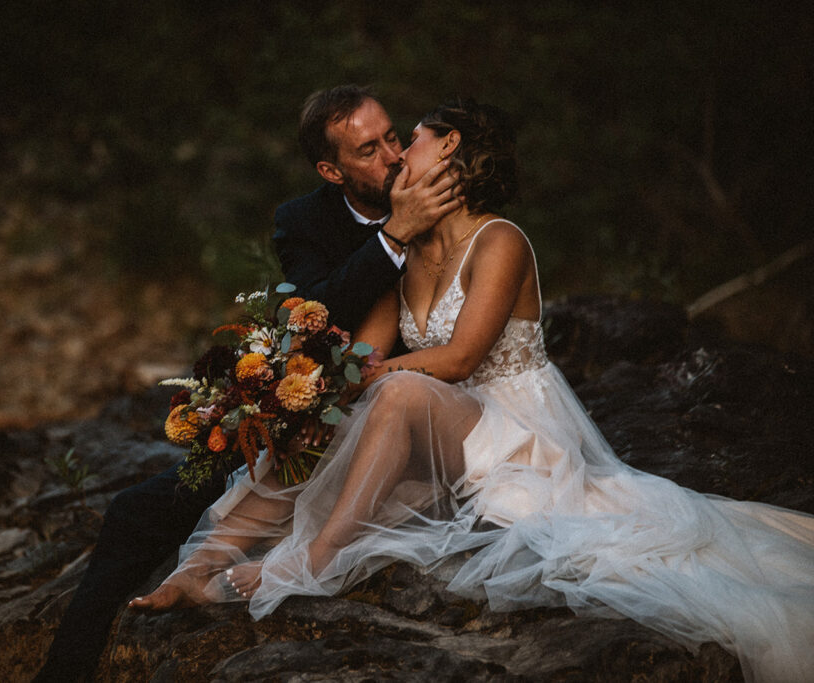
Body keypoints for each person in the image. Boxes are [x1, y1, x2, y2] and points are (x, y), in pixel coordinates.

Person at [130, 98, 814, 683]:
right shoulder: (409, 250)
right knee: (325, 417)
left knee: (392, 397)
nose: (399, 155)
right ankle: (204, 562)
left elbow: (457, 360)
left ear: (451, 147)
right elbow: (358, 358)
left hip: (515, 431)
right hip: (448, 429)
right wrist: (303, 393)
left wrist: (367, 380)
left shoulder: (501, 241)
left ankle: (314, 559)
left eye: (412, 139)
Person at [32, 85, 455, 682]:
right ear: (331, 169)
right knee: (136, 510)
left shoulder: (443, 205)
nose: (391, 156)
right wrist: (391, 237)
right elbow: (317, 312)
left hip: (396, 417)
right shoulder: (303, 220)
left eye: (393, 137)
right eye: (368, 149)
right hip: (304, 411)